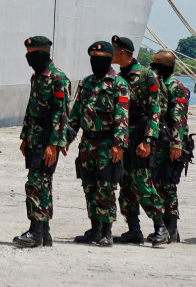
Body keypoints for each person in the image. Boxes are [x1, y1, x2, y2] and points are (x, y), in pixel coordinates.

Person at [64, 40, 128, 247]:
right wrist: (66, 138)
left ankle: (106, 230)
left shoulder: (119, 84)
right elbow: (75, 114)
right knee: (89, 187)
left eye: (99, 58)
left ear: (109, 59)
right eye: (92, 58)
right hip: (87, 143)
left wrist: (118, 144)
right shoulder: (86, 83)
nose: (95, 61)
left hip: (107, 144)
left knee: (106, 188)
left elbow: (122, 116)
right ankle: (94, 228)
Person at [111, 34, 169, 246]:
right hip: (123, 135)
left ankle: (160, 227)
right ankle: (133, 229)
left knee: (143, 183)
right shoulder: (119, 77)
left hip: (140, 135)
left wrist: (148, 139)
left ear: (122, 53)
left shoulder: (147, 75)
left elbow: (156, 109)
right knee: (125, 183)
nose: (111, 53)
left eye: (114, 49)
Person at [13, 36, 70, 248]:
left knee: (36, 183)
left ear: (43, 54)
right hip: (34, 138)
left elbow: (60, 114)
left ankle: (36, 231)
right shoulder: (37, 77)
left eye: (32, 54)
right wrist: (24, 136)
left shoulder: (58, 79)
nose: (28, 58)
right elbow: (31, 109)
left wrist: (54, 145)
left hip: (48, 139)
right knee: (42, 184)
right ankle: (44, 233)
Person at [149, 50, 191, 244]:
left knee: (168, 185)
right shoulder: (159, 85)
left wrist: (176, 144)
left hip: (172, 143)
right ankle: (164, 228)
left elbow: (178, 117)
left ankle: (172, 228)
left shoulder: (177, 87)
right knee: (158, 183)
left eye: (155, 64)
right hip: (160, 141)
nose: (152, 67)